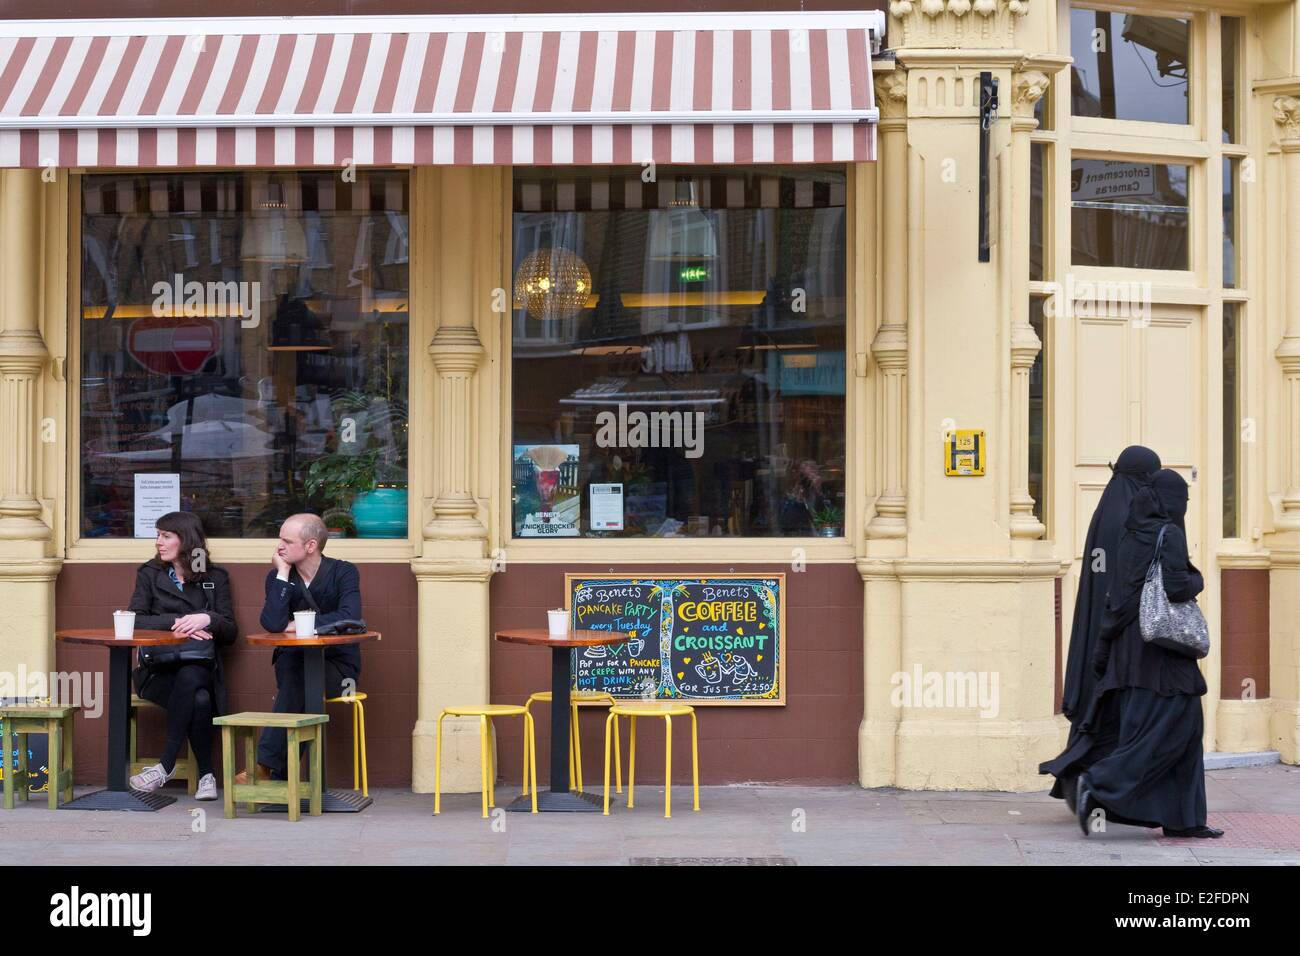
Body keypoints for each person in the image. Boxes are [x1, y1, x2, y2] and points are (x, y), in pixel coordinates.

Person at [1075, 470, 1222, 838]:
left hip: (1131, 655)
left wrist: (1104, 650)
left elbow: (1118, 597)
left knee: (1175, 734)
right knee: (1173, 732)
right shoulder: (1168, 534)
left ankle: (1183, 820)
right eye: (1183, 500)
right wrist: (1199, 579)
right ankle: (1097, 783)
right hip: (1163, 656)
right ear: (1169, 501)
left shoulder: (1130, 534)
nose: (1184, 507)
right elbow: (1175, 587)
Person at [1039, 444, 1160, 810]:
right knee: (1113, 712)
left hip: (1101, 631)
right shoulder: (1129, 517)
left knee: (1102, 711)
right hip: (1117, 635)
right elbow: (1123, 581)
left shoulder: (1106, 510)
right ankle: (1099, 789)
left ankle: (1089, 786)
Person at [127, 512, 237, 800]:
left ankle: (164, 766)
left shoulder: (214, 577)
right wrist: (185, 622)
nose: (158, 542)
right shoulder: (149, 574)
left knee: (192, 677)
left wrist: (207, 619)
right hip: (158, 670)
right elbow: (136, 620)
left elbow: (230, 631)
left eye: (166, 536)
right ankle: (206, 775)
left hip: (199, 665)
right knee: (199, 698)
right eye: (158, 535)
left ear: (185, 540)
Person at [247, 513, 362, 782]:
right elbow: (273, 623)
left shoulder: (343, 572)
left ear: (311, 545)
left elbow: (352, 616)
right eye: (280, 540)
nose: (279, 547)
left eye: (287, 541)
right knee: (297, 676)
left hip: (339, 670)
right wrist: (283, 573)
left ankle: (268, 768)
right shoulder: (278, 577)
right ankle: (278, 778)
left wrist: (301, 624)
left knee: (298, 683)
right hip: (292, 664)